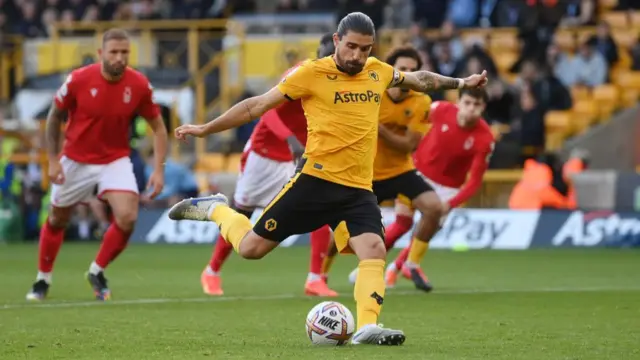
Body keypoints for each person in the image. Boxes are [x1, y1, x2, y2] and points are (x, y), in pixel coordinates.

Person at [170, 12, 487, 345]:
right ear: (336, 41)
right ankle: (217, 209)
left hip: (358, 189)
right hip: (315, 181)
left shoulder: (377, 71)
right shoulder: (311, 73)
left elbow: (419, 80)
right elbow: (256, 106)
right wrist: (206, 128)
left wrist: (461, 83)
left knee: (374, 248)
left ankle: (366, 326)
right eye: (351, 47)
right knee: (251, 249)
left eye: (364, 49)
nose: (357, 56)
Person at [26, 28, 168, 302]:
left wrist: (159, 169)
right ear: (101, 53)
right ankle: (42, 279)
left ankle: (97, 271)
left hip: (114, 159)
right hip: (75, 159)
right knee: (57, 219)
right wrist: (53, 160)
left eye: (124, 52)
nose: (119, 58)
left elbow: (159, 128)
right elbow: (55, 117)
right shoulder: (79, 80)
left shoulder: (139, 85)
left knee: (127, 217)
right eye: (114, 52)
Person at [200, 33, 338, 298]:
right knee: (243, 213)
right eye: (328, 55)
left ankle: (314, 279)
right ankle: (212, 271)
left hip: (291, 159)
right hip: (263, 155)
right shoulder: (301, 73)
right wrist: (291, 141)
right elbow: (270, 110)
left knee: (317, 209)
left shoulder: (343, 85)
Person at [320, 45, 442, 292]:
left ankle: (412, 263)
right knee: (339, 230)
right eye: (403, 68)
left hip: (401, 170)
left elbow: (407, 145)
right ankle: (319, 275)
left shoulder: (422, 101)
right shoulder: (371, 90)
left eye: (413, 69)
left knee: (434, 208)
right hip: (367, 174)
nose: (408, 73)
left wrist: (378, 127)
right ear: (392, 71)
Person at [384, 90, 495, 289]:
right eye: (467, 102)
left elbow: (475, 182)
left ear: (483, 107)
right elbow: (414, 121)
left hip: (448, 189)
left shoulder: (485, 139)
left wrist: (450, 204)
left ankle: (399, 267)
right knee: (402, 223)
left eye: (476, 105)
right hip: (417, 172)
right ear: (458, 102)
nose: (471, 109)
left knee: (425, 230)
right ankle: (371, 265)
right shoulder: (440, 109)